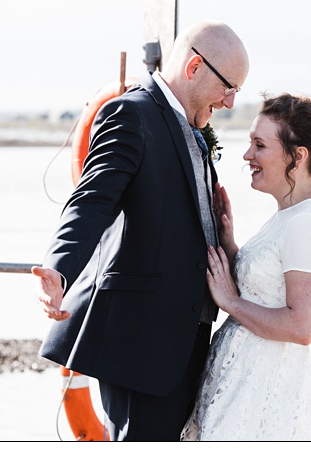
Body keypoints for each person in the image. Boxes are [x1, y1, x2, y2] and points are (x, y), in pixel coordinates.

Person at [33, 22, 250, 441]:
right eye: (229, 87)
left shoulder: (190, 124)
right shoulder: (131, 113)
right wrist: (58, 269)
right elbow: (91, 200)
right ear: (194, 67)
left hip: (185, 341)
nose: (230, 101)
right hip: (141, 343)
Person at [183, 94, 311, 440]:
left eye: (259, 145)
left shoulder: (308, 223)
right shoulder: (289, 216)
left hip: (263, 392)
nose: (248, 156)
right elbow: (268, 288)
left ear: (297, 155)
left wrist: (230, 303)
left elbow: (303, 326)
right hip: (244, 382)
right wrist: (230, 242)